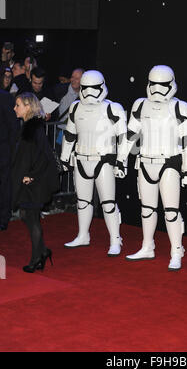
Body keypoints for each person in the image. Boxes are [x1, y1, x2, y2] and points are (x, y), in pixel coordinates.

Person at [117, 65, 187, 271]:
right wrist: (121, 159)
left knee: (171, 211)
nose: (158, 89)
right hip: (145, 161)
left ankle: (176, 250)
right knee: (147, 209)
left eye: (163, 85)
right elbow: (130, 134)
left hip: (169, 162)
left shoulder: (180, 107)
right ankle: (147, 245)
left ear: (171, 85)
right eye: (154, 84)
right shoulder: (141, 105)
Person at [60, 70, 127, 256]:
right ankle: (83, 235)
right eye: (85, 88)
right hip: (81, 158)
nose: (89, 92)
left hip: (103, 159)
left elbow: (124, 137)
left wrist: (121, 162)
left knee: (108, 203)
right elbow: (70, 134)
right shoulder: (75, 107)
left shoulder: (112, 108)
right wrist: (65, 158)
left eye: (93, 88)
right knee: (82, 201)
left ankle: (115, 239)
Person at [12, 92, 59, 273]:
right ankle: (43, 251)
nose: (15, 108)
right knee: (27, 215)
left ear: (28, 107)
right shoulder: (29, 126)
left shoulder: (34, 128)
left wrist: (31, 175)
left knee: (31, 217)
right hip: (30, 180)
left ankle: (37, 258)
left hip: (35, 181)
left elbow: (44, 156)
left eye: (18, 105)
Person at [0, 89, 19, 230]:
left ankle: (3, 217)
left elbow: (13, 125)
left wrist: (12, 150)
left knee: (4, 183)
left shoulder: (5, 97)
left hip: (3, 149)